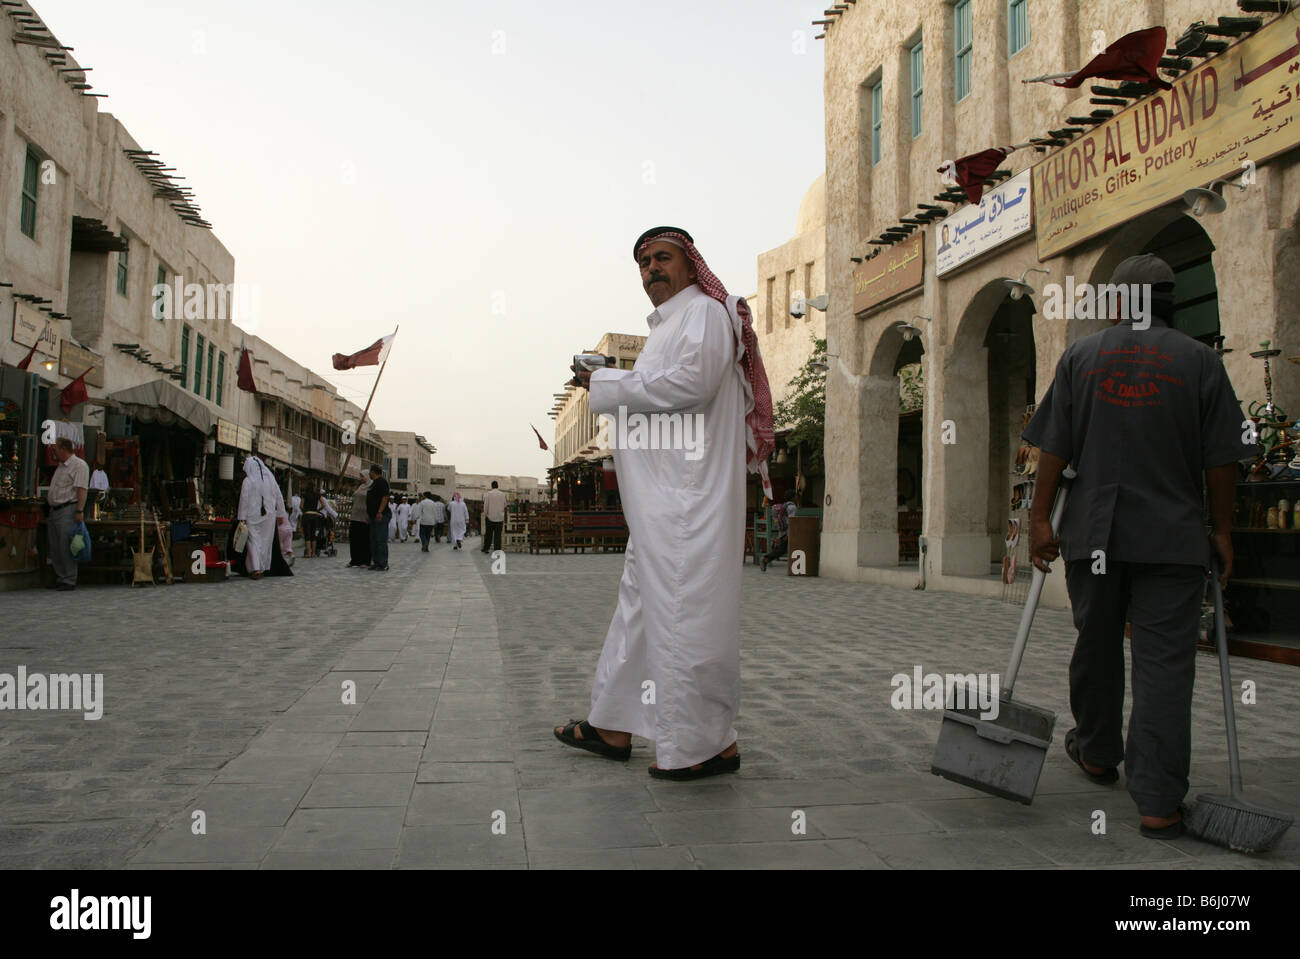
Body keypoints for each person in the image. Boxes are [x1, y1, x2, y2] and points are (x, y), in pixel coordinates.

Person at [1023, 254, 1254, 840]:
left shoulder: (1082, 357)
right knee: (1164, 667)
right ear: (1170, 301)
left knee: (1096, 645)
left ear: (1120, 303)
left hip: (1094, 536)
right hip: (1173, 540)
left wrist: (1040, 518)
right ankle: (1157, 803)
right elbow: (1222, 457)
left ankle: (1098, 753)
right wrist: (1222, 529)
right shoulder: (1201, 361)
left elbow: (1054, 445)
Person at [553, 226, 774, 779]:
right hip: (663, 502)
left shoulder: (701, 312)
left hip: (687, 503)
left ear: (689, 263)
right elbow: (662, 395)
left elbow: (692, 386)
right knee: (641, 612)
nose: (652, 268)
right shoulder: (673, 325)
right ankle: (611, 724)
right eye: (644, 262)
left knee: (683, 617)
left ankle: (703, 745)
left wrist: (606, 383)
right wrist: (607, 382)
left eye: (662, 257)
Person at [236, 454, 290, 580]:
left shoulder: (248, 481)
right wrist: (281, 514)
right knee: (265, 542)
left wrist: (242, 517)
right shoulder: (271, 481)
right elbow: (279, 497)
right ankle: (261, 567)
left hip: (252, 516)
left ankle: (255, 568)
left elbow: (244, 499)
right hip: (269, 517)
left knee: (252, 542)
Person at [46, 437, 89, 591]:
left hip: (68, 509)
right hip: (55, 510)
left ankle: (69, 578)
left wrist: (79, 510)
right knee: (56, 545)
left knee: (65, 545)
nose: (54, 451)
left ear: (63, 449)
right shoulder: (61, 466)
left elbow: (82, 489)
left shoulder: (79, 465)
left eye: (55, 449)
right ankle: (61, 576)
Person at [759, 495, 799, 572]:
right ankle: (765, 559)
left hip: (782, 531)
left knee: (782, 549)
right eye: (796, 497)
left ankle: (766, 559)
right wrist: (788, 533)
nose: (797, 498)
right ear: (793, 498)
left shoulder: (785, 506)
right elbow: (791, 521)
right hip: (787, 531)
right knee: (782, 549)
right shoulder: (792, 507)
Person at [366, 464, 391, 571]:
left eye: (370, 472)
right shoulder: (373, 483)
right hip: (373, 516)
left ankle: (383, 563)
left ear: (373, 472)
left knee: (381, 540)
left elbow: (385, 497)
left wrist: (380, 511)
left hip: (381, 515)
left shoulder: (382, 482)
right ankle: (376, 562)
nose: (369, 474)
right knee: (374, 540)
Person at [348, 477, 372, 568]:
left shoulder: (370, 487)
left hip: (364, 518)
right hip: (355, 516)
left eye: (362, 476)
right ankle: (354, 560)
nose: (361, 478)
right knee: (354, 539)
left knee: (364, 540)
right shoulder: (360, 487)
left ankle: (365, 561)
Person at [482, 481, 507, 554]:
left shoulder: (488, 494)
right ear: (497, 486)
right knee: (498, 535)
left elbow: (485, 506)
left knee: (488, 534)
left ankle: (486, 548)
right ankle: (497, 550)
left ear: (491, 486)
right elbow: (505, 505)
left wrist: (485, 514)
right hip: (499, 517)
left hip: (490, 517)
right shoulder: (502, 494)